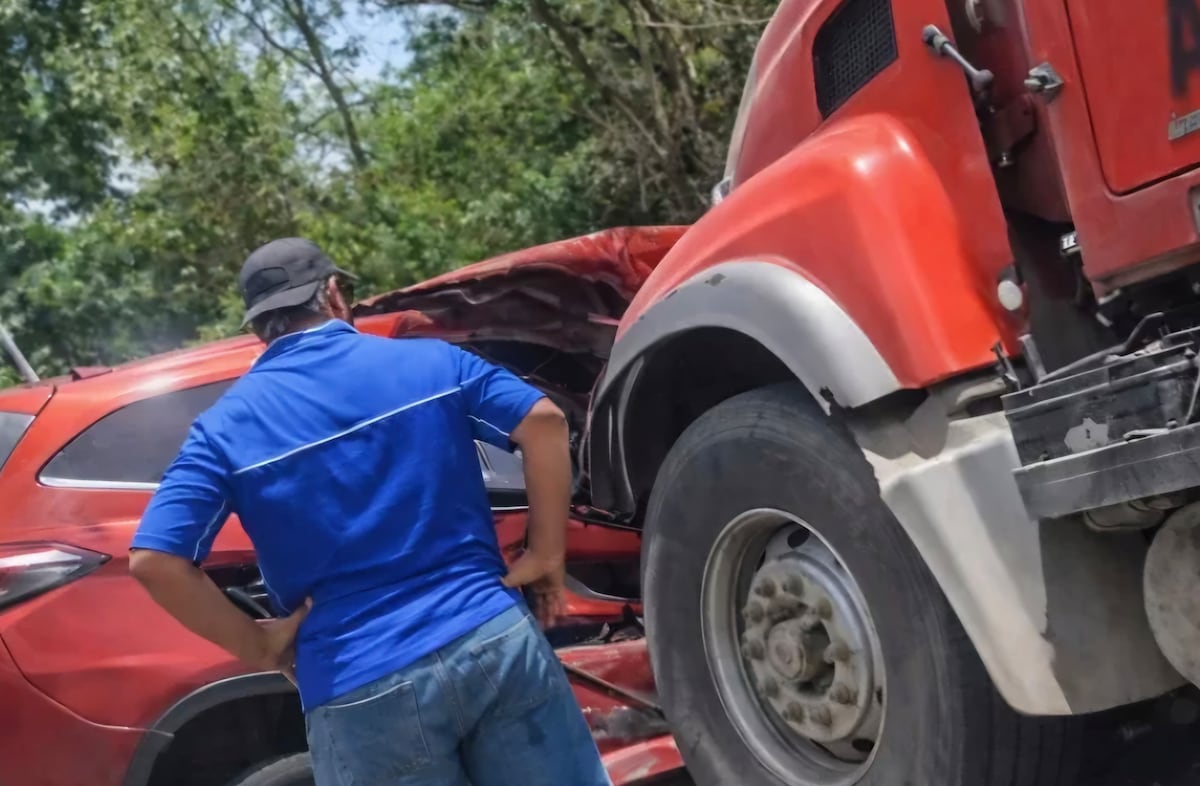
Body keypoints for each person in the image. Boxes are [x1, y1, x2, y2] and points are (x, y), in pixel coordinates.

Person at [129, 237, 611, 786]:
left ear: (259, 328)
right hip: (490, 637)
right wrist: (546, 552)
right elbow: (545, 422)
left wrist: (258, 644)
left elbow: (154, 560)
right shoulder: (431, 361)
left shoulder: (221, 432)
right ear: (333, 294)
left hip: (360, 682)